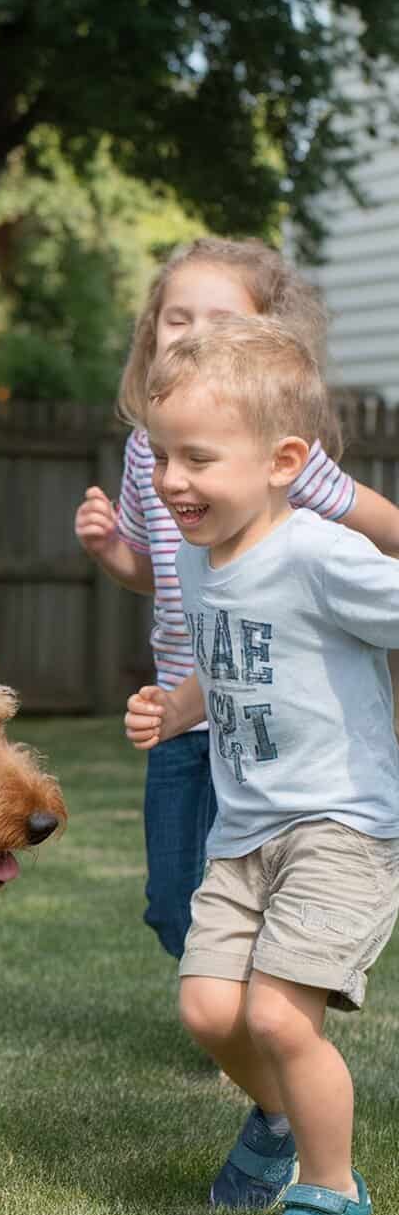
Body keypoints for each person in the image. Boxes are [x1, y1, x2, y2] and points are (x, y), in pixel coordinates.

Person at [125, 315, 399, 1215]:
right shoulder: (203, 566)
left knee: (281, 1015)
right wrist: (179, 708)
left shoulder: (322, 554)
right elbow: (228, 660)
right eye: (162, 457)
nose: (170, 481)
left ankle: (331, 1191)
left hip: (339, 827)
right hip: (242, 835)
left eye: (197, 459)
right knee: (209, 1010)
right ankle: (287, 1124)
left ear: (284, 460)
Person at [75, 237, 399, 965]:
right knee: (171, 900)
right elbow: (160, 571)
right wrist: (108, 552)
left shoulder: (282, 461)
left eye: (218, 320)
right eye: (176, 317)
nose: (191, 335)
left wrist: (345, 519)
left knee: (264, 877)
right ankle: (235, 995)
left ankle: (273, 1000)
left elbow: (381, 537)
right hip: (191, 699)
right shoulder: (146, 453)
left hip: (276, 707)